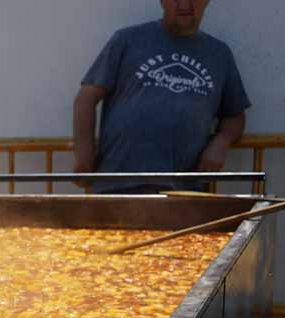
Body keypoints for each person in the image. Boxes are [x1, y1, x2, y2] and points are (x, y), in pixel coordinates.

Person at [73, 0, 250, 193]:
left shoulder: (219, 54)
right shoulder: (128, 40)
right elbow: (86, 99)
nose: (184, 4)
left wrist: (220, 143)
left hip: (184, 190)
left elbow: (234, 116)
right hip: (118, 181)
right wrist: (85, 158)